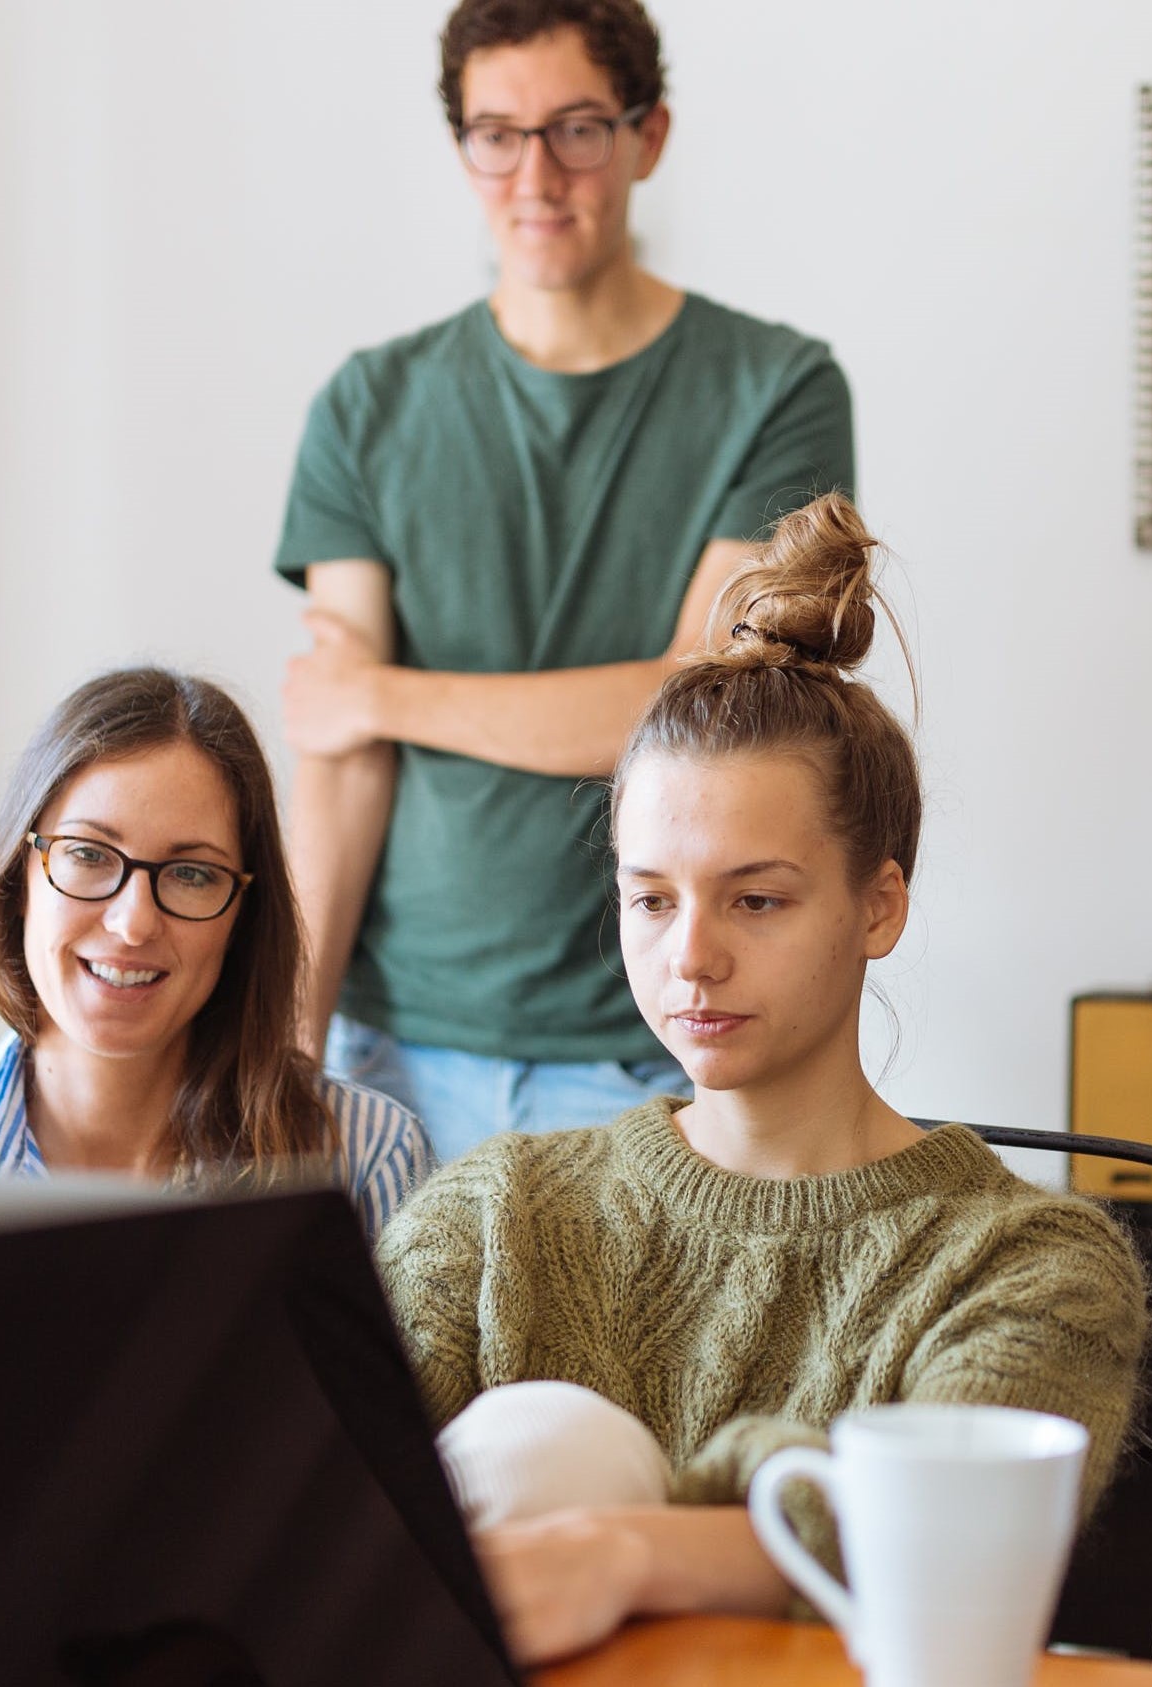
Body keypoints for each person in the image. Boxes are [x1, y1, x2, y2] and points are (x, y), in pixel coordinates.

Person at [374, 496, 1147, 1667]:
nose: (691, 956)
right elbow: (309, 1501)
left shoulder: (1030, 1262)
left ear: (878, 904)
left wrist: (623, 1549)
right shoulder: (492, 1217)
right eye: (651, 898)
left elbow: (948, 1549)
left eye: (758, 898)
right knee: (546, 1440)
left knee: (561, 1445)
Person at [276, 0, 855, 1161]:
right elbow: (339, 763)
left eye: (577, 128)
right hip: (388, 1048)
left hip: (653, 1038)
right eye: (497, 133)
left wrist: (388, 690)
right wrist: (288, 1051)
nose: (535, 173)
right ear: (462, 149)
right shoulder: (367, 405)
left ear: (649, 136)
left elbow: (701, 710)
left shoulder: (779, 390)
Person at [0, 670, 432, 1237]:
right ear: (20, 878)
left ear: (244, 917)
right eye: (88, 854)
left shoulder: (368, 1159)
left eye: (191, 873)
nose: (133, 924)